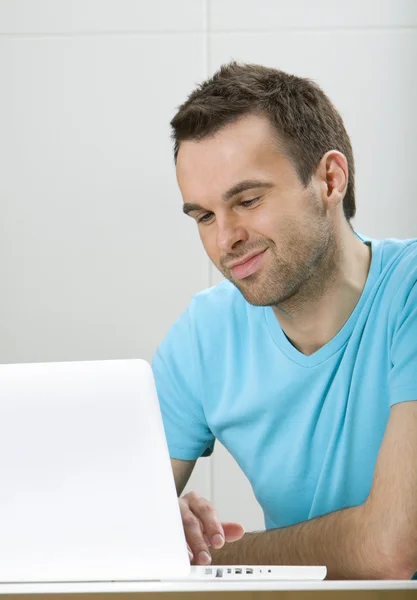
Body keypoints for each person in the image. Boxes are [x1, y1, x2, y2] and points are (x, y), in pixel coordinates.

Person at [151, 62, 417, 580]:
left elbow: (391, 548)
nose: (224, 239)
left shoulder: (410, 292)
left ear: (330, 179)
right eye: (203, 216)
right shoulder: (205, 335)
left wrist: (211, 561)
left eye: (247, 200)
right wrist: (153, 525)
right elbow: (101, 532)